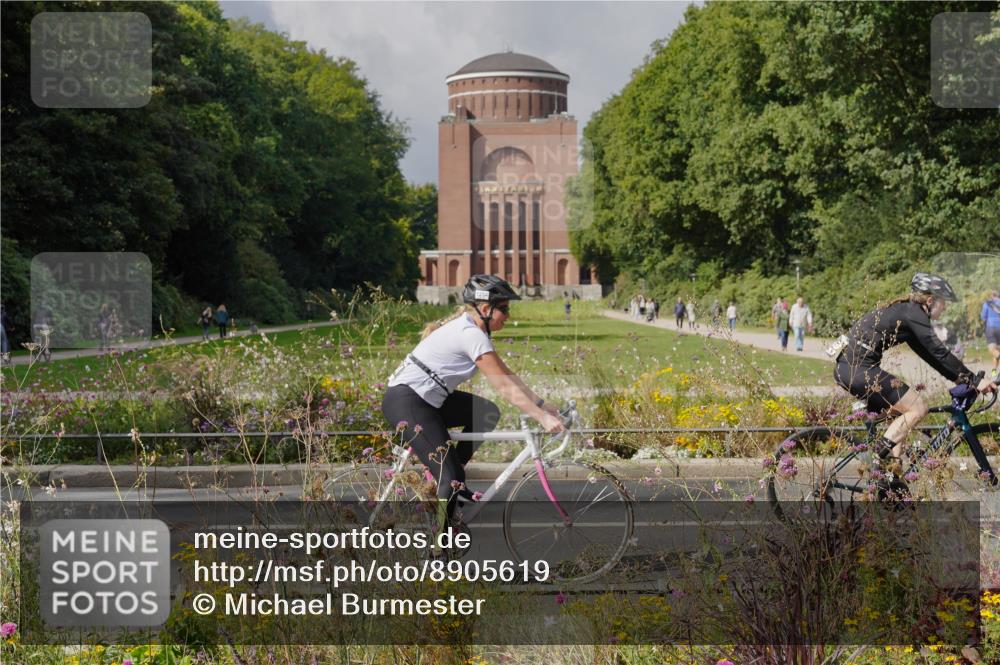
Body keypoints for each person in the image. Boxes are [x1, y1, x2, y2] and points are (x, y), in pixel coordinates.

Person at [382, 275, 565, 522]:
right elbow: (502, 386)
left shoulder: (475, 331)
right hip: (408, 401)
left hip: (426, 398)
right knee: (451, 476)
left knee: (485, 412)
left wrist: (542, 405)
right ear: (486, 309)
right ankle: (440, 551)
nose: (508, 316)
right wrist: (540, 417)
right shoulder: (471, 335)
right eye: (504, 309)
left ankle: (449, 482)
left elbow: (508, 374)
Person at [833, 273, 996, 471]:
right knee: (917, 408)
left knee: (901, 415)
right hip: (858, 369)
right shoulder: (914, 314)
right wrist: (973, 380)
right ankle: (877, 461)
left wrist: (960, 379)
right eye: (943, 302)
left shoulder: (908, 314)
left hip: (849, 369)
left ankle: (892, 479)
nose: (945, 308)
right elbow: (939, 351)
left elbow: (932, 356)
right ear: (930, 300)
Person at [982, 289, 1000, 380]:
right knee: (997, 352)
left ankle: (994, 371)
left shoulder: (987, 304)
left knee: (993, 350)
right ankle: (994, 371)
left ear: (992, 295)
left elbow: (983, 318)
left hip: (991, 328)